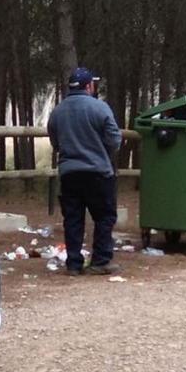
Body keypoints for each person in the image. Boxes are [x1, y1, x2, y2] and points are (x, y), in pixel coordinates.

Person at [47, 67, 123, 276]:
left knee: (73, 218)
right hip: (98, 172)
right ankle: (100, 260)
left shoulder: (58, 111)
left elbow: (55, 142)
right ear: (89, 85)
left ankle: (74, 263)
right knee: (104, 216)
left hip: (70, 173)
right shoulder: (100, 108)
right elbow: (114, 140)